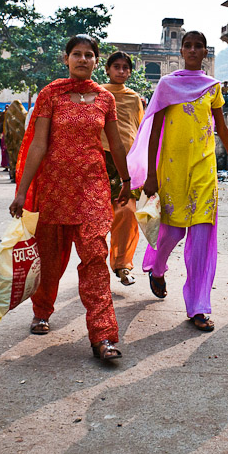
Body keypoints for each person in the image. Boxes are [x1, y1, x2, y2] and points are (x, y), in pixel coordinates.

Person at [9, 34, 130, 360]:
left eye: (89, 55)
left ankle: (103, 336)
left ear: (95, 60)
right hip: (54, 189)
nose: (82, 59)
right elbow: (38, 144)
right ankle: (43, 310)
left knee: (94, 259)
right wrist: (22, 191)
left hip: (92, 188)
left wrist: (127, 180)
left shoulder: (105, 99)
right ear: (66, 59)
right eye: (76, 54)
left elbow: (115, 144)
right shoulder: (51, 94)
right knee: (50, 258)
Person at [128, 30, 228, 333]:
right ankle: (158, 267)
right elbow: (154, 132)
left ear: (205, 53)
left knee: (202, 236)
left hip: (204, 170)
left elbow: (222, 127)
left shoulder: (213, 87)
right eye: (187, 46)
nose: (192, 50)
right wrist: (150, 174)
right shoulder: (167, 85)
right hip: (171, 169)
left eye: (198, 46)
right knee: (172, 231)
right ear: (181, 51)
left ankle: (199, 306)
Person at [101, 51, 145, 286]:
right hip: (100, 159)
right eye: (116, 67)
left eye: (125, 68)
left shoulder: (133, 97)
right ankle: (96, 266)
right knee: (98, 216)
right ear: (107, 69)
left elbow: (139, 128)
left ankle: (122, 265)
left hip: (127, 163)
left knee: (126, 212)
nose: (121, 71)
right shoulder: (96, 93)